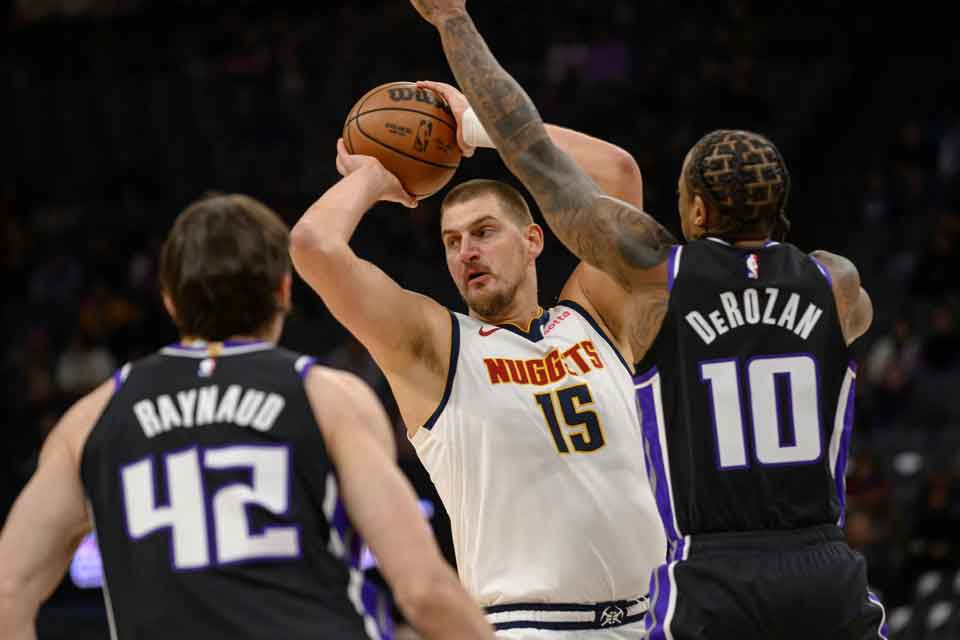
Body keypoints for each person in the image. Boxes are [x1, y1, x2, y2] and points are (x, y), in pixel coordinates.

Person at [407, 2, 889, 638]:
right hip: (824, 566)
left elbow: (532, 151)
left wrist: (453, 22)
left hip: (714, 573)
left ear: (696, 211)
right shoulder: (836, 284)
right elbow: (839, 314)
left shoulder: (661, 280)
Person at [0, 193, 492, 640]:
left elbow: (7, 594)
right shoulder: (326, 397)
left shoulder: (91, 418)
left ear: (169, 300)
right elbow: (423, 591)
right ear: (284, 290)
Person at [290, 92, 670, 635]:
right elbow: (314, 246)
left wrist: (473, 126)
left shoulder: (597, 313)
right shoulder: (435, 345)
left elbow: (618, 172)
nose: (466, 251)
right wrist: (373, 176)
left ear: (533, 240)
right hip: (525, 626)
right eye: (452, 241)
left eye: (484, 232)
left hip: (651, 619)